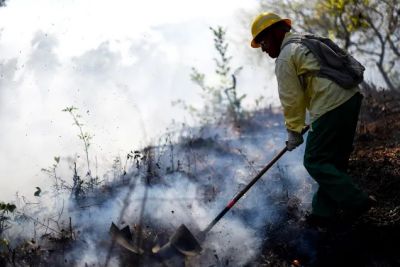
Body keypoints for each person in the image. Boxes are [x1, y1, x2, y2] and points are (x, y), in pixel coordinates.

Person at [250, 12, 374, 225]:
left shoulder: (285, 56)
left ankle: (357, 201)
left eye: (263, 40)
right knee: (334, 161)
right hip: (350, 98)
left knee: (314, 161)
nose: (263, 48)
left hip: (330, 105)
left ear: (277, 32)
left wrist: (294, 132)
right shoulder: (307, 39)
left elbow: (292, 100)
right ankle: (322, 214)